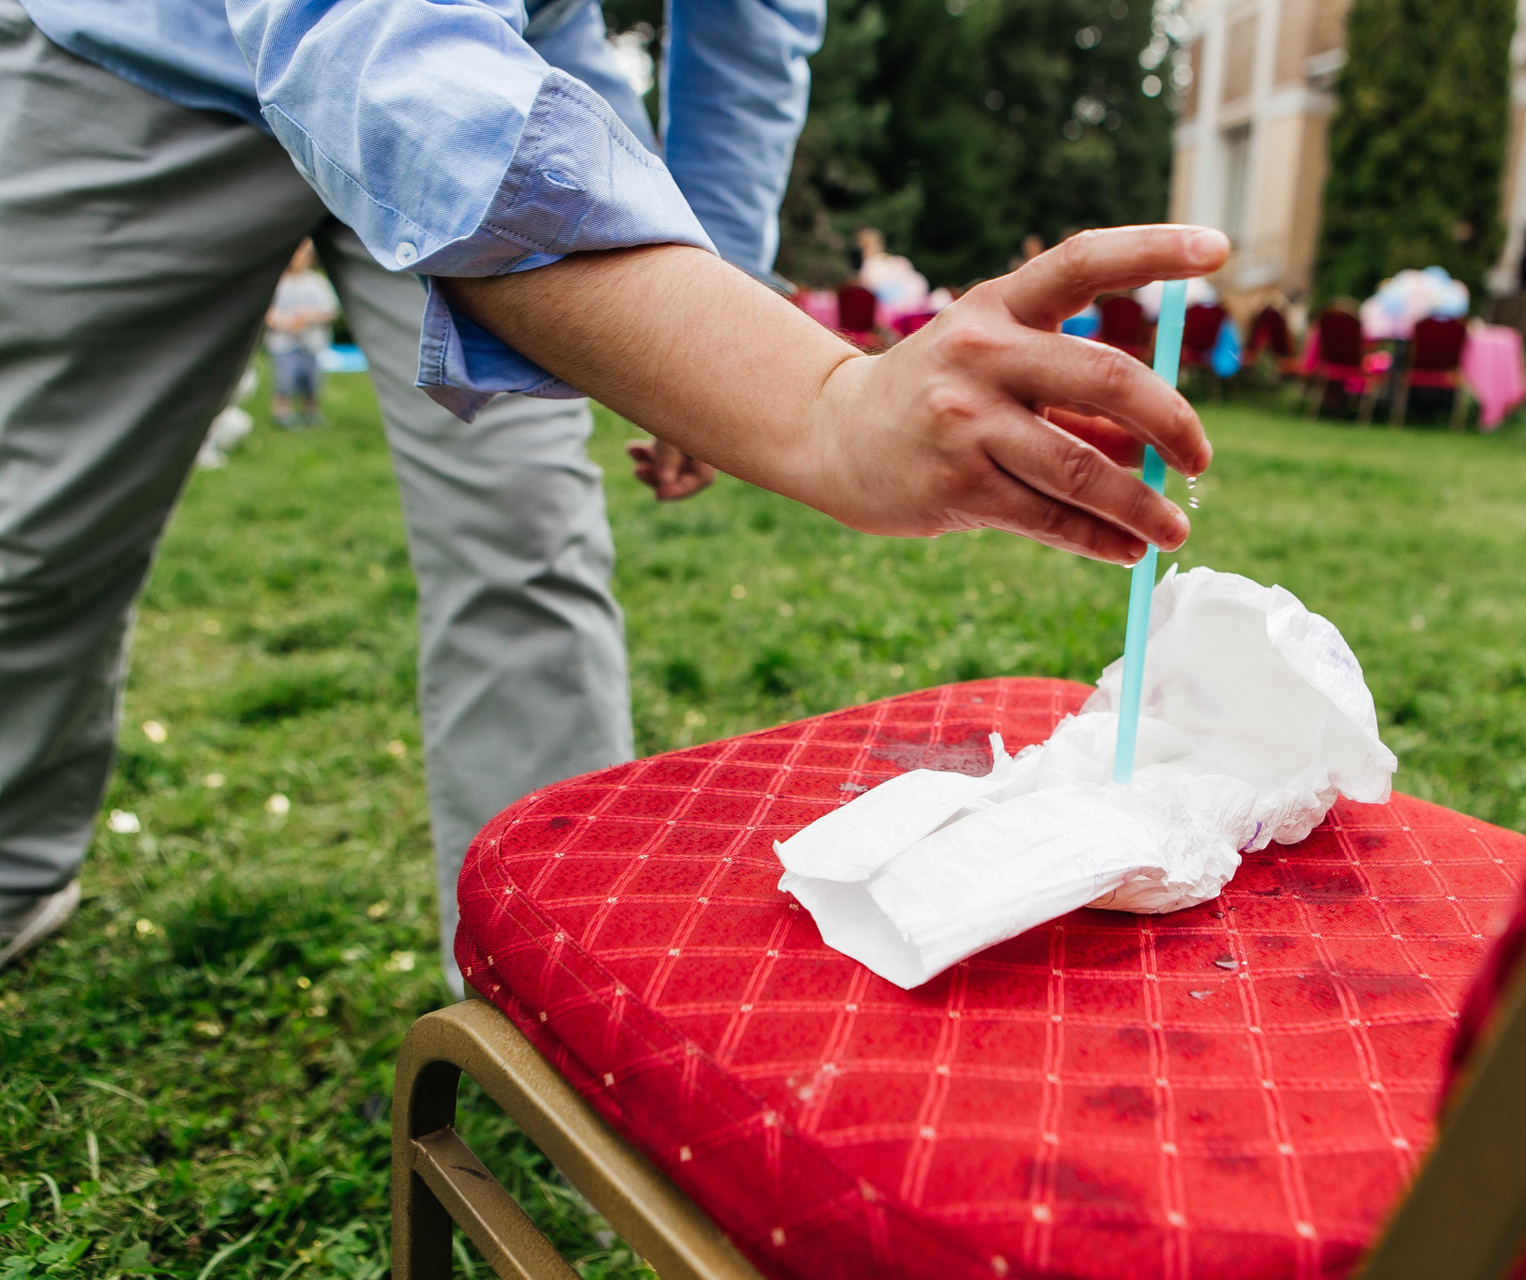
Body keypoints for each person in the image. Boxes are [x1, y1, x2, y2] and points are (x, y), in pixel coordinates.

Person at [0, 0, 1227, 991]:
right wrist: (814, 404)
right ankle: (15, 862)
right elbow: (367, 47)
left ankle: (543, 983)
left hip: (505, 56)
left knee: (526, 543)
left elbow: (747, 28)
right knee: (35, 530)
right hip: (150, 64)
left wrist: (711, 335)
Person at [264, 239, 339, 426]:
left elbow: (331, 310)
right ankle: (282, 413)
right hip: (283, 343)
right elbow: (267, 312)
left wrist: (310, 316)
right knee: (284, 379)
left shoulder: (317, 283)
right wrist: (285, 323)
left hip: (311, 343)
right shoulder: (278, 282)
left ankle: (310, 412)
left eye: (303, 255)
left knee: (311, 380)